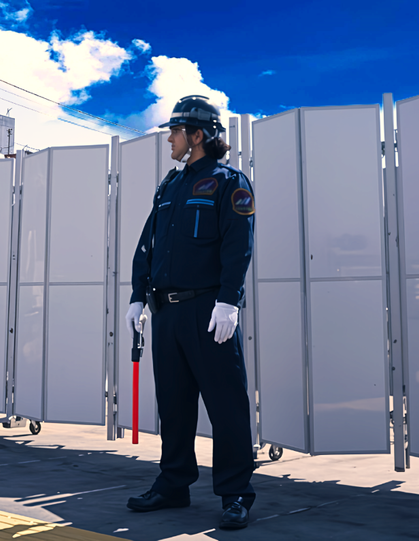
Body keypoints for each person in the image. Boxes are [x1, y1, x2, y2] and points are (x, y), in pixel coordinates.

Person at [124, 95, 256, 530]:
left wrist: (229, 301)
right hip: (167, 314)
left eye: (175, 132)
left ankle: (235, 494)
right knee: (174, 406)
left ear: (197, 136)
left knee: (226, 405)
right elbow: (148, 243)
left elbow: (238, 245)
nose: (170, 139)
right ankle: (174, 483)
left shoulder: (228, 182)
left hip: (208, 311)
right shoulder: (170, 186)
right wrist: (138, 296)